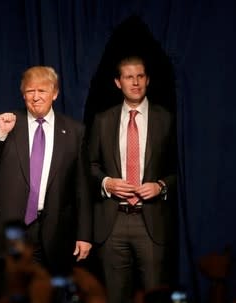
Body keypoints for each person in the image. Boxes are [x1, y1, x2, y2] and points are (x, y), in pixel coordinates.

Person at [0, 66, 93, 297]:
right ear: (22, 94)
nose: (35, 97)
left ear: (55, 93)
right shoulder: (7, 124)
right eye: (29, 91)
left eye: (42, 90)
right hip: (6, 233)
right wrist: (1, 134)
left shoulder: (75, 132)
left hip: (52, 233)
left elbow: (82, 188)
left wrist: (84, 234)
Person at [88, 56, 177, 303]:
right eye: (129, 77)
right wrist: (107, 183)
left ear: (147, 80)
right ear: (118, 83)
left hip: (152, 224)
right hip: (112, 222)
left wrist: (161, 186)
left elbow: (181, 170)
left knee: (155, 296)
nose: (135, 82)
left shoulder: (167, 119)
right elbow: (90, 165)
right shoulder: (103, 120)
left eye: (140, 76)